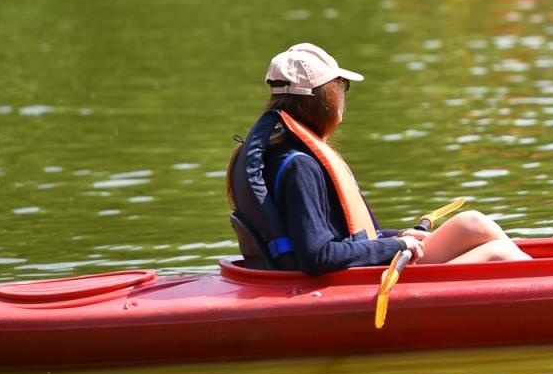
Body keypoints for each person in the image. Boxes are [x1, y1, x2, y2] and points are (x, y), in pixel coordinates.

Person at [227, 43, 529, 274]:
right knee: (498, 253)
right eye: (341, 86)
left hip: (357, 267)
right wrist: (397, 246)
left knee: (472, 223)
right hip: (350, 284)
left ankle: (546, 278)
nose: (344, 95)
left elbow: (336, 235)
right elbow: (317, 256)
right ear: (322, 99)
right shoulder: (300, 167)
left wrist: (397, 236)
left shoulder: (282, 153)